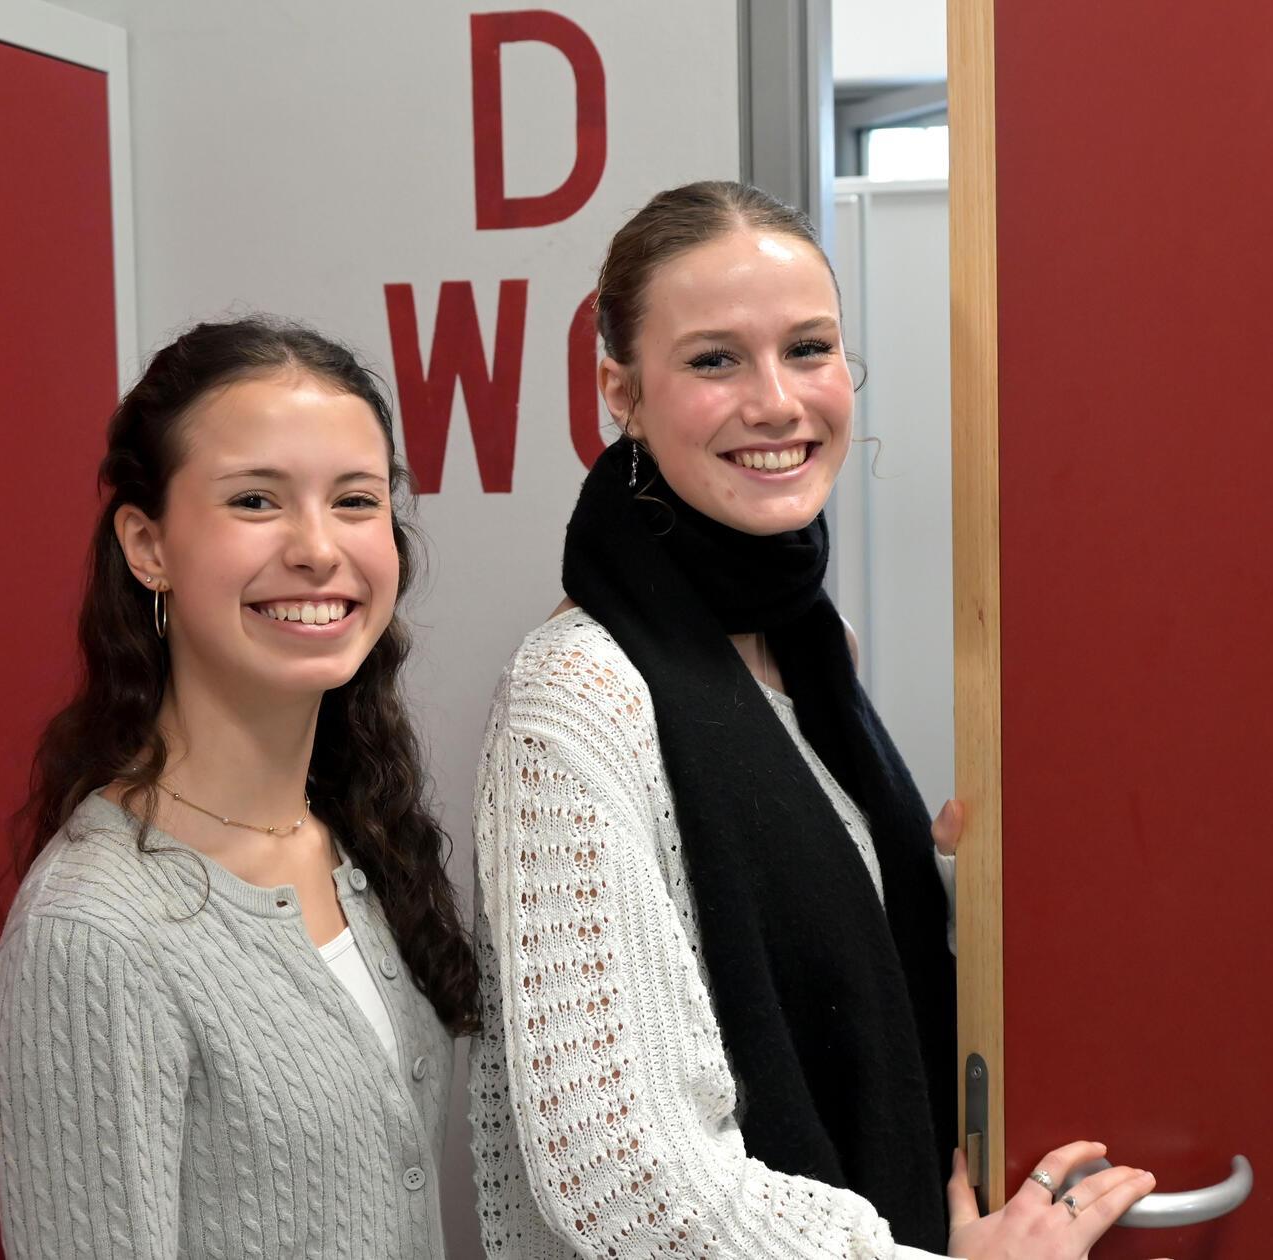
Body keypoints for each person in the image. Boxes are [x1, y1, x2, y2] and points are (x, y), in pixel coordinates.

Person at [467, 182, 1160, 1259]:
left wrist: (948, 891)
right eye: (712, 360)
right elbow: (620, 1174)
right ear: (620, 389)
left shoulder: (802, 643)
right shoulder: (577, 697)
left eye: (807, 349)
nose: (777, 402)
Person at [0, 318, 477, 1259]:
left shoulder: (349, 835)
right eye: (256, 500)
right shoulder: (92, 938)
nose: (318, 548)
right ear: (147, 545)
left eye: (357, 501)